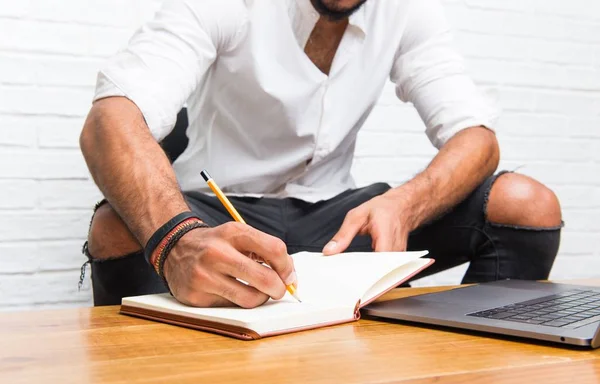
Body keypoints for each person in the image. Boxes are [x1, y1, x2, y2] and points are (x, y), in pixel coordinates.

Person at [79, 0, 563, 308]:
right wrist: (177, 240)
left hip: (338, 220)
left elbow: (476, 136)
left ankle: (469, 371)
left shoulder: (407, 12)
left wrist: (405, 203)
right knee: (115, 227)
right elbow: (111, 119)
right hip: (222, 213)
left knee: (526, 204)